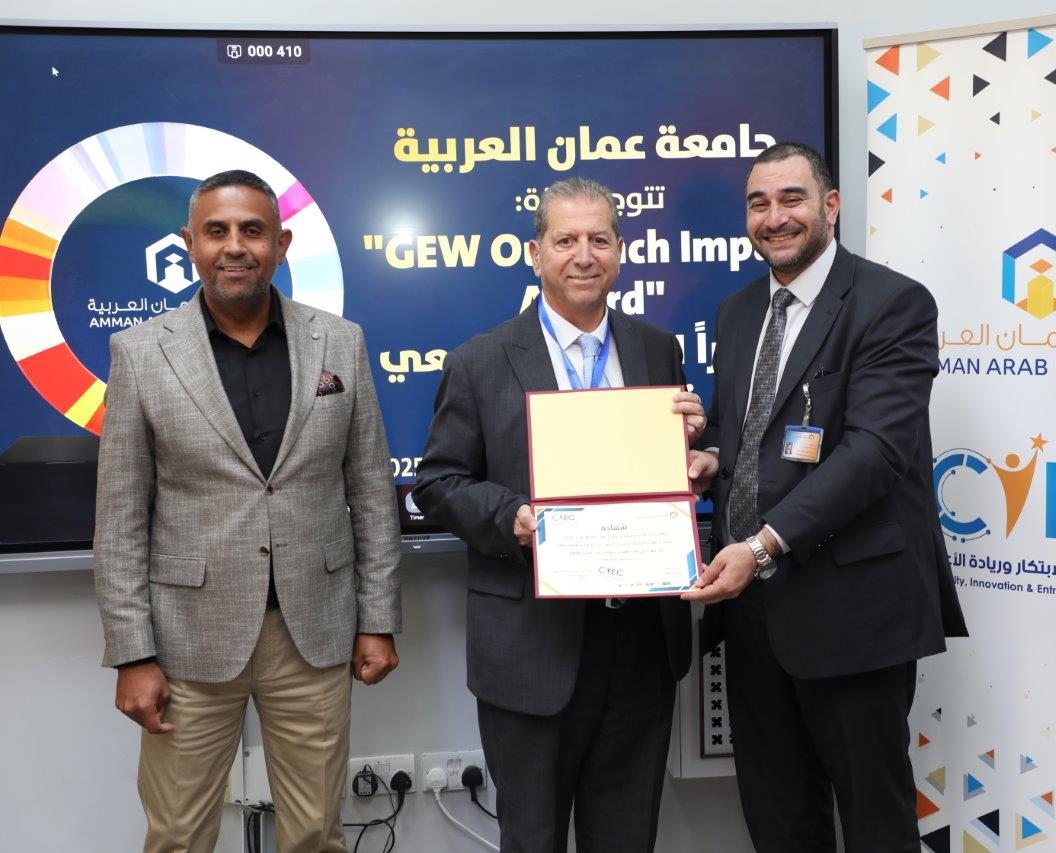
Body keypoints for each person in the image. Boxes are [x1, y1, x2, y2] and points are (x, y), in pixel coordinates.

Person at [94, 169, 402, 852]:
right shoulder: (140, 353)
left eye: (253, 231)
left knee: (316, 832)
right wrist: (132, 654)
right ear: (190, 244)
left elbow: (371, 493)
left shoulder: (339, 342)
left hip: (314, 632)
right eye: (217, 231)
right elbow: (119, 520)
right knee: (178, 835)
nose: (236, 246)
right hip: (187, 642)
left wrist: (378, 619)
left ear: (281, 245)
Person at [684, 142, 968, 851]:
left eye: (792, 199)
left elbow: (875, 453)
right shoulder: (738, 311)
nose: (774, 217)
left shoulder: (891, 303)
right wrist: (709, 456)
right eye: (758, 203)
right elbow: (753, 433)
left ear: (830, 205)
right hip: (752, 613)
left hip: (853, 608)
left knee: (874, 822)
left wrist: (761, 545)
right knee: (779, 818)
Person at [413, 177, 704, 853]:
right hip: (530, 647)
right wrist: (513, 516)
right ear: (535, 253)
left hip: (640, 644)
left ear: (620, 251)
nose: (584, 255)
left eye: (599, 239)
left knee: (627, 838)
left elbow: (667, 472)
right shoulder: (480, 359)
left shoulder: (657, 348)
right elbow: (438, 482)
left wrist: (691, 451)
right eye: (566, 240)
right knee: (533, 839)